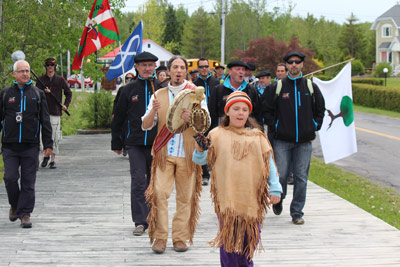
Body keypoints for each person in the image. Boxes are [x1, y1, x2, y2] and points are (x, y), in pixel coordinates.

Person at [192, 91, 282, 266]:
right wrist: (200, 147)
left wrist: (275, 188)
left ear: (249, 113)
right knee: (229, 243)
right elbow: (200, 160)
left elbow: (269, 164)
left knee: (250, 240)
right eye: (235, 109)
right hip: (228, 200)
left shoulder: (257, 137)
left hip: (252, 198)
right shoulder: (216, 134)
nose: (240, 113)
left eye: (244, 109)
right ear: (227, 111)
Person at [142, 55, 207, 254]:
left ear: (186, 71)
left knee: (185, 197)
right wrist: (153, 111)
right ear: (168, 71)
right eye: (175, 67)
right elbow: (145, 125)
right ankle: (160, 238)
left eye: (182, 67)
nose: (178, 71)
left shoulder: (196, 94)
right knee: (160, 194)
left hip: (187, 153)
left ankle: (180, 238)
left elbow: (205, 123)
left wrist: (193, 118)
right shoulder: (158, 95)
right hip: (164, 152)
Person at [264, 51, 325, 225]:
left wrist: (314, 125)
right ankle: (279, 197)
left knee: (301, 177)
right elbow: (267, 111)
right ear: (286, 65)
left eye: (297, 62)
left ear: (302, 65)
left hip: (304, 142)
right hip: (282, 140)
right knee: (281, 175)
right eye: (290, 62)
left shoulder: (310, 86)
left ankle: (297, 212)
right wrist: (275, 128)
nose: (294, 65)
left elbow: (320, 109)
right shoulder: (279, 87)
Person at [0, 60, 53, 228]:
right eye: (21, 71)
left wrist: (48, 143)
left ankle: (25, 214)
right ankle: (15, 206)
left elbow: (45, 120)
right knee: (9, 178)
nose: (25, 74)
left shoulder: (37, 94)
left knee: (28, 181)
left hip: (30, 145)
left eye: (27, 71)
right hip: (10, 145)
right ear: (14, 74)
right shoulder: (6, 94)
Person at [111, 52, 159, 236]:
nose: (147, 68)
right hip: (135, 143)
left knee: (155, 183)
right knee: (139, 181)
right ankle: (140, 220)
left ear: (155, 67)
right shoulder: (127, 90)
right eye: (144, 65)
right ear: (137, 67)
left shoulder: (162, 89)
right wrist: (117, 142)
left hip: (157, 144)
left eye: (150, 65)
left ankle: (155, 217)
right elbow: (118, 118)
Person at [37, 57, 72, 169]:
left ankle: (52, 160)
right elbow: (36, 94)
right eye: (47, 65)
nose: (50, 67)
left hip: (55, 112)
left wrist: (66, 105)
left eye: (51, 65)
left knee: (55, 136)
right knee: (43, 135)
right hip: (42, 112)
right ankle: (45, 155)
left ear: (55, 66)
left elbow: (68, 93)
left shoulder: (60, 80)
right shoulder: (41, 80)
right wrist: (44, 91)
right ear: (45, 67)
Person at [209, 60, 261, 130]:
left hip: (246, 133)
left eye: (243, 70)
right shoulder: (218, 89)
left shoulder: (251, 89)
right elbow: (212, 112)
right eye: (238, 69)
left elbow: (258, 112)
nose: (241, 72)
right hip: (224, 131)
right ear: (229, 72)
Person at [193, 58, 220, 186]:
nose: (204, 69)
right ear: (198, 68)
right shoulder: (194, 84)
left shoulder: (216, 82)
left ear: (209, 68)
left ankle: (215, 171)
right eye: (201, 67)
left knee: (214, 146)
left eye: (206, 66)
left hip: (214, 119)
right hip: (200, 121)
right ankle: (204, 174)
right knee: (202, 146)